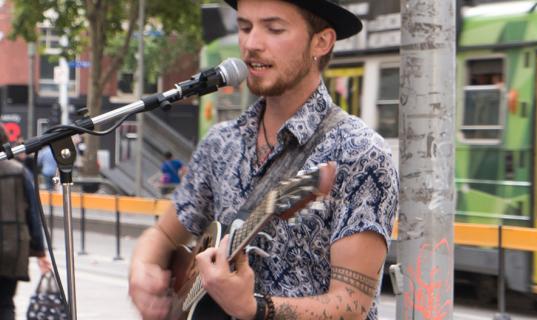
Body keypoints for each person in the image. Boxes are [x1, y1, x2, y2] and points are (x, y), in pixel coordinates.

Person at [128, 0, 399, 319]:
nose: (251, 44)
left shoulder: (359, 151)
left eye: (274, 28)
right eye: (245, 27)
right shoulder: (221, 143)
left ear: (321, 41)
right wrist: (142, 267)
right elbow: (163, 234)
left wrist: (254, 308)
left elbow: (352, 304)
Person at [0, 125, 52, 319]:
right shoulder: (19, 172)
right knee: (5, 302)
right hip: (12, 248)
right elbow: (32, 215)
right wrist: (40, 251)